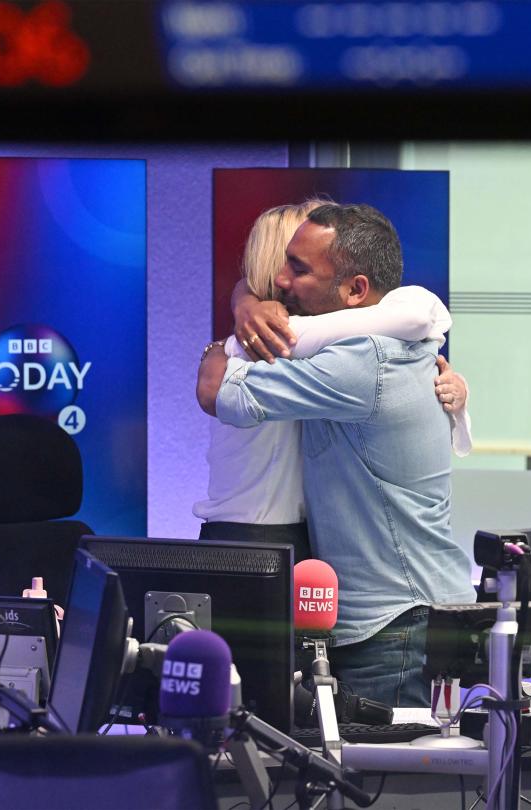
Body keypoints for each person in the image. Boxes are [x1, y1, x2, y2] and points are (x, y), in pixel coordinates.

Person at [197, 203, 476, 707]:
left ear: (356, 290)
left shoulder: (361, 359)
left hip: (392, 627)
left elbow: (219, 393)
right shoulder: (392, 337)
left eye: (300, 269)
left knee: (386, 780)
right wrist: (243, 303)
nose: (283, 281)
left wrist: (223, 343)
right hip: (413, 611)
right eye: (280, 266)